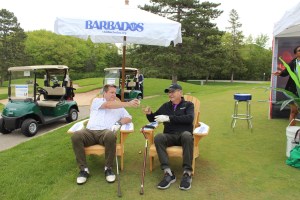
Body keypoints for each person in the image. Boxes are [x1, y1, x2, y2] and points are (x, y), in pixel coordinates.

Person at [71, 84, 140, 185]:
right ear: (104, 93)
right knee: (76, 136)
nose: (114, 94)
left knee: (110, 135)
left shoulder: (119, 106)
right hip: (89, 131)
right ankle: (83, 170)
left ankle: (108, 168)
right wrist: (128, 103)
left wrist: (119, 123)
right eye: (111, 92)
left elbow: (129, 117)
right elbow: (108, 105)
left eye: (115, 92)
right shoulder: (97, 101)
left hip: (105, 133)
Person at [143, 83, 194, 190]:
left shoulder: (188, 105)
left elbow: (189, 118)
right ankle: (168, 173)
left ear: (180, 92)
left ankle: (187, 173)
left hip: (183, 136)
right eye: (169, 92)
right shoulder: (166, 106)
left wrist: (168, 118)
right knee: (159, 137)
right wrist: (149, 113)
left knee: (187, 135)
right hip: (169, 136)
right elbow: (154, 119)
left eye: (172, 92)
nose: (170, 94)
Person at [273, 45, 300, 126]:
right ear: (295, 54)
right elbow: (285, 72)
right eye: (299, 50)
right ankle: (292, 132)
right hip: (293, 91)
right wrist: (280, 73)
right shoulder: (293, 63)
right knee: (294, 112)